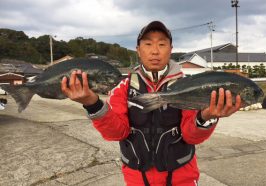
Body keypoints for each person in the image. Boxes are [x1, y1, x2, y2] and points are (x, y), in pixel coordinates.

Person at [61, 20, 241, 186]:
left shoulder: (187, 86)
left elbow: (191, 136)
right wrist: (92, 103)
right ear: (138, 50)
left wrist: (207, 117)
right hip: (137, 179)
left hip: (182, 178)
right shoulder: (123, 87)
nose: (155, 51)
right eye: (148, 44)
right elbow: (117, 132)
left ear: (171, 49)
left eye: (162, 44)